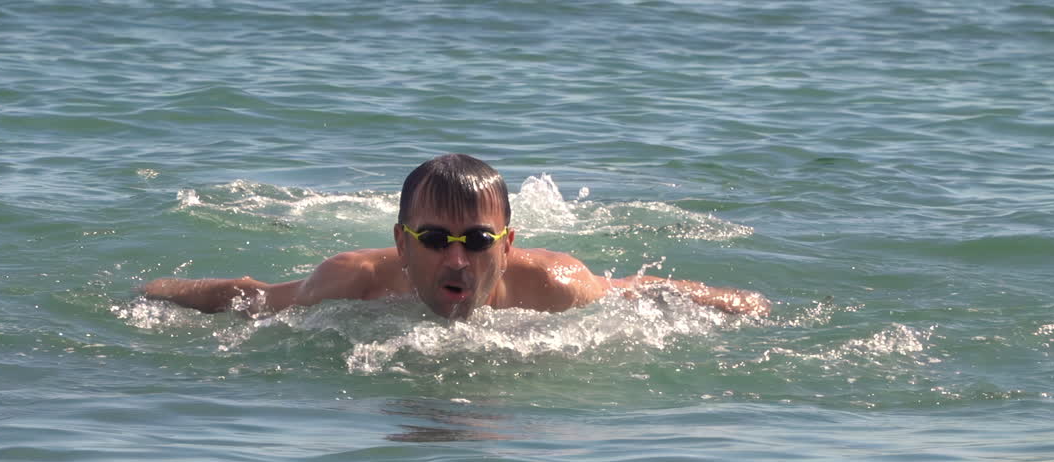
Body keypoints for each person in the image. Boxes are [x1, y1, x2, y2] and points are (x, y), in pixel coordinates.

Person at [140, 154, 769, 319]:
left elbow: (644, 291)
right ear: (403, 242)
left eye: (477, 240)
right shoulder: (351, 282)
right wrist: (159, 293)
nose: (456, 257)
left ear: (508, 245)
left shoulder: (555, 286)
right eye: (435, 238)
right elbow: (251, 298)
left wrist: (740, 303)